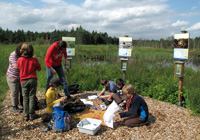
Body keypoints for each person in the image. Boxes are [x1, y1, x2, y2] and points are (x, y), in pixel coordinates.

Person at [17, 42, 41, 121]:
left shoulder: (19, 60)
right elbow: (39, 68)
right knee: (31, 97)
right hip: (32, 79)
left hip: (23, 80)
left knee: (25, 98)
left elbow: (19, 68)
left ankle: (25, 115)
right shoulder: (34, 59)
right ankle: (32, 114)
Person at [6, 44, 23, 113]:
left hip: (21, 77)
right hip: (13, 77)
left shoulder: (22, 55)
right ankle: (14, 106)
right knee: (15, 92)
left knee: (22, 91)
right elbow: (16, 66)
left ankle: (22, 104)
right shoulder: (13, 55)